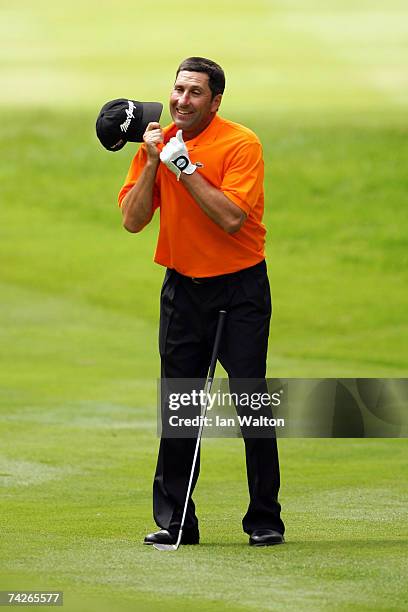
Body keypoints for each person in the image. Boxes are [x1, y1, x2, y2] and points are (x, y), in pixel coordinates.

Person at [118, 57, 285, 547]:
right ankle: (176, 521)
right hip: (183, 288)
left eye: (195, 93)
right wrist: (153, 162)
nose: (181, 100)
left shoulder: (241, 144)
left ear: (215, 101)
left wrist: (183, 166)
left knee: (251, 401)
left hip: (240, 288)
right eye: (178, 89)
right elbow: (132, 220)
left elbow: (232, 218)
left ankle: (265, 519)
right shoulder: (158, 143)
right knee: (179, 405)